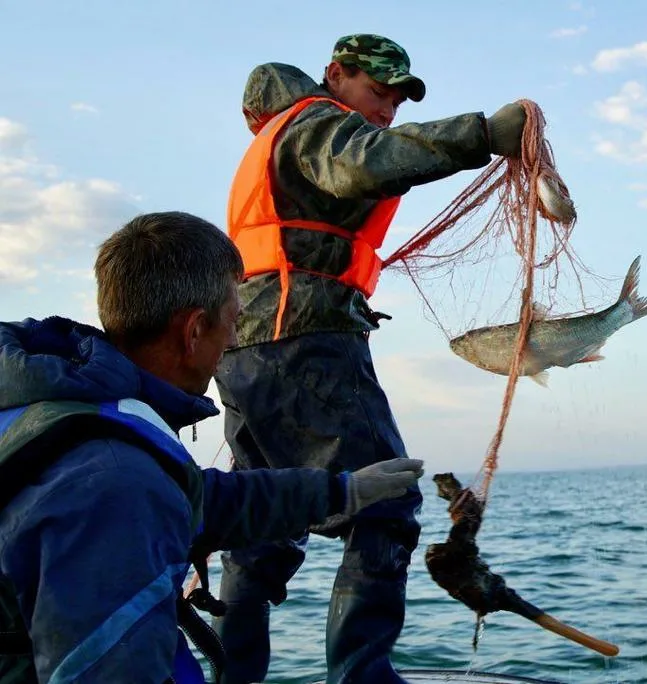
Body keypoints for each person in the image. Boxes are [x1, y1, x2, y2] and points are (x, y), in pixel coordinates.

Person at [214, 33, 528, 684]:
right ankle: (361, 678)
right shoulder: (316, 126)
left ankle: (232, 676)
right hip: (302, 342)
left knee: (262, 522)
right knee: (384, 502)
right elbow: (369, 160)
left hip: (246, 349)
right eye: (377, 90)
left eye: (397, 97)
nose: (386, 107)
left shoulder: (277, 141)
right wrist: (485, 134)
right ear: (335, 75)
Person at [0, 211, 425, 684]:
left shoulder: (68, 407)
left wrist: (341, 491)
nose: (238, 339)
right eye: (233, 321)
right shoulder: (116, 484)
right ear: (194, 330)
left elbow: (205, 500)